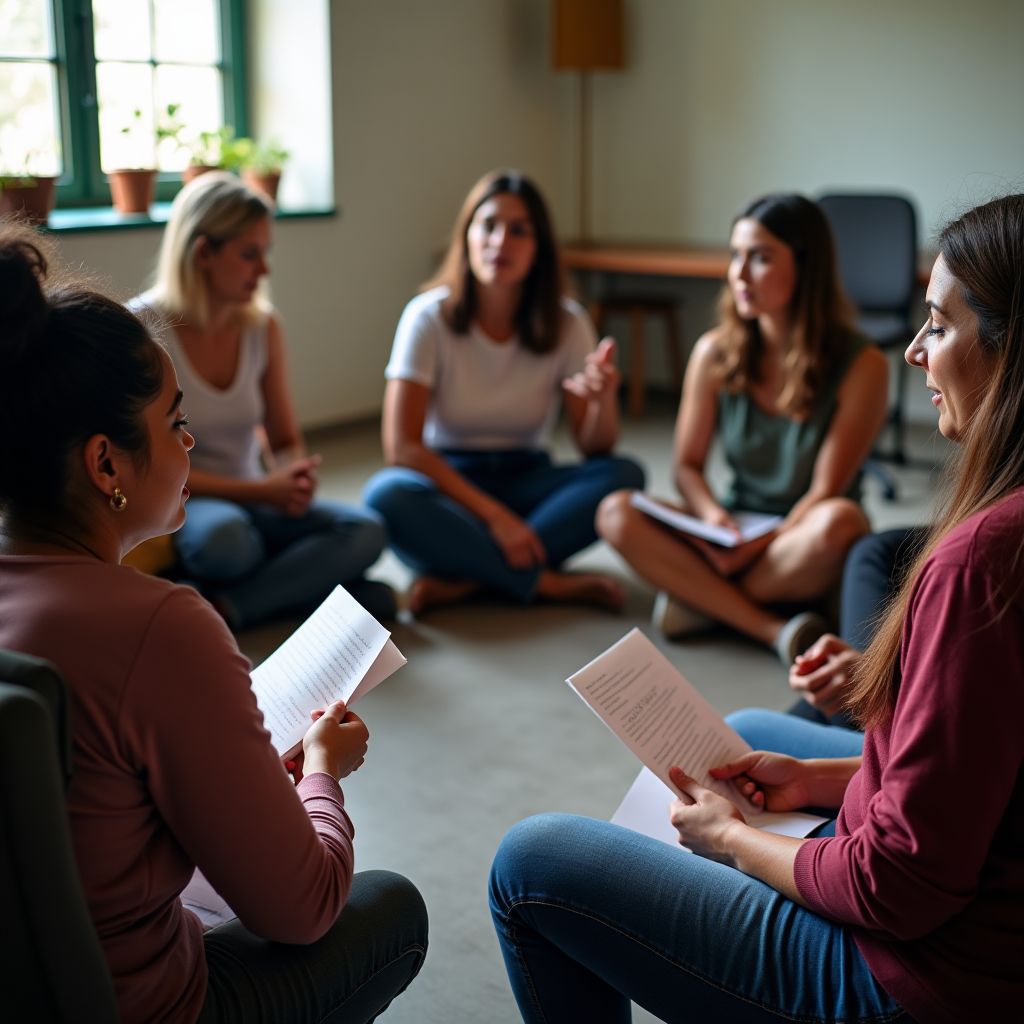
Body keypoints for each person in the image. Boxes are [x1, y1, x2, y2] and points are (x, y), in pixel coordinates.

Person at [490, 194, 1024, 1022]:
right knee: (745, 730)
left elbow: (898, 885)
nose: (916, 350)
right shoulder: (721, 352)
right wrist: (813, 779)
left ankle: (724, 611)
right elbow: (975, 778)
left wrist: (735, 841)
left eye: (939, 325)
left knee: (530, 862)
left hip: (913, 979)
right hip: (973, 910)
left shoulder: (978, 562)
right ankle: (748, 616)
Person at [0, 224, 427, 1023]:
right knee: (392, 907)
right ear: (106, 463)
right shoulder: (160, 626)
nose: (191, 441)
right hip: (145, 1004)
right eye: (174, 422)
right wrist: (322, 774)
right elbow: (302, 907)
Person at [596, 193, 889, 665]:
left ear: (806, 266)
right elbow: (687, 467)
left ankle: (702, 601)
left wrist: (757, 548)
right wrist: (714, 517)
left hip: (802, 533)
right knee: (615, 512)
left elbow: (824, 491)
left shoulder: (864, 365)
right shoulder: (713, 352)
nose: (739, 274)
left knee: (842, 522)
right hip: (734, 529)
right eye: (735, 255)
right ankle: (769, 627)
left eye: (760, 257)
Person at [362, 169, 645, 614]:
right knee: (387, 494)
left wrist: (603, 400)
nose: (500, 242)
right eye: (488, 226)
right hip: (453, 482)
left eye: (518, 231)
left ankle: (468, 578)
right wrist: (496, 518)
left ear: (539, 247)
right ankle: (543, 582)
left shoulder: (567, 322)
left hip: (526, 477)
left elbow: (596, 449)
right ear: (467, 237)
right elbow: (402, 448)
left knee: (624, 475)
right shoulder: (427, 317)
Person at [133, 171, 394, 630]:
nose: (264, 270)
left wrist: (294, 477)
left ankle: (230, 606)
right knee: (228, 543)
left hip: (256, 497)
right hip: (190, 502)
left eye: (265, 253)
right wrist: (262, 491)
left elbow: (284, 438)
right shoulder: (143, 329)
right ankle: (308, 589)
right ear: (203, 253)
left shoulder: (263, 326)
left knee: (366, 530)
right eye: (250, 254)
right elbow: (150, 461)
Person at [788, 526, 925, 726]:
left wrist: (875, 682)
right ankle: (845, 693)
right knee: (875, 549)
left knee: (749, 726)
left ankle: (853, 706)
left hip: (906, 727)